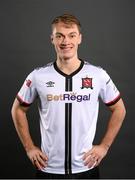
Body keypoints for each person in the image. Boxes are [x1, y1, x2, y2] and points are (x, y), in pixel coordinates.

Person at [11, 13, 126, 179]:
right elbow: (18, 110)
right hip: (48, 169)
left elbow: (119, 109)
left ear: (80, 38)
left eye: (72, 35)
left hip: (86, 168)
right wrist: (29, 147)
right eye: (60, 36)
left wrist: (104, 146)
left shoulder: (98, 74)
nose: (66, 42)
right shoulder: (37, 76)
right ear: (52, 39)